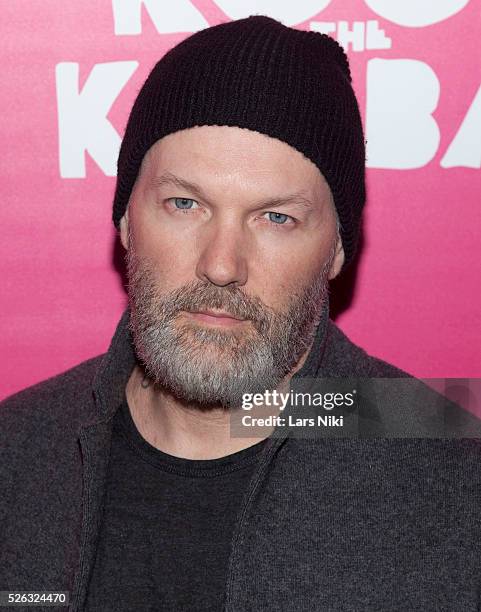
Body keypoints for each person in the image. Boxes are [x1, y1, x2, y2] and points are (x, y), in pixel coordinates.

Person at [1, 15, 481, 612]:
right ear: (126, 219)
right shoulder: (16, 448)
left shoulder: (455, 471)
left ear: (335, 249)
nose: (223, 265)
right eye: (185, 203)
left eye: (276, 217)